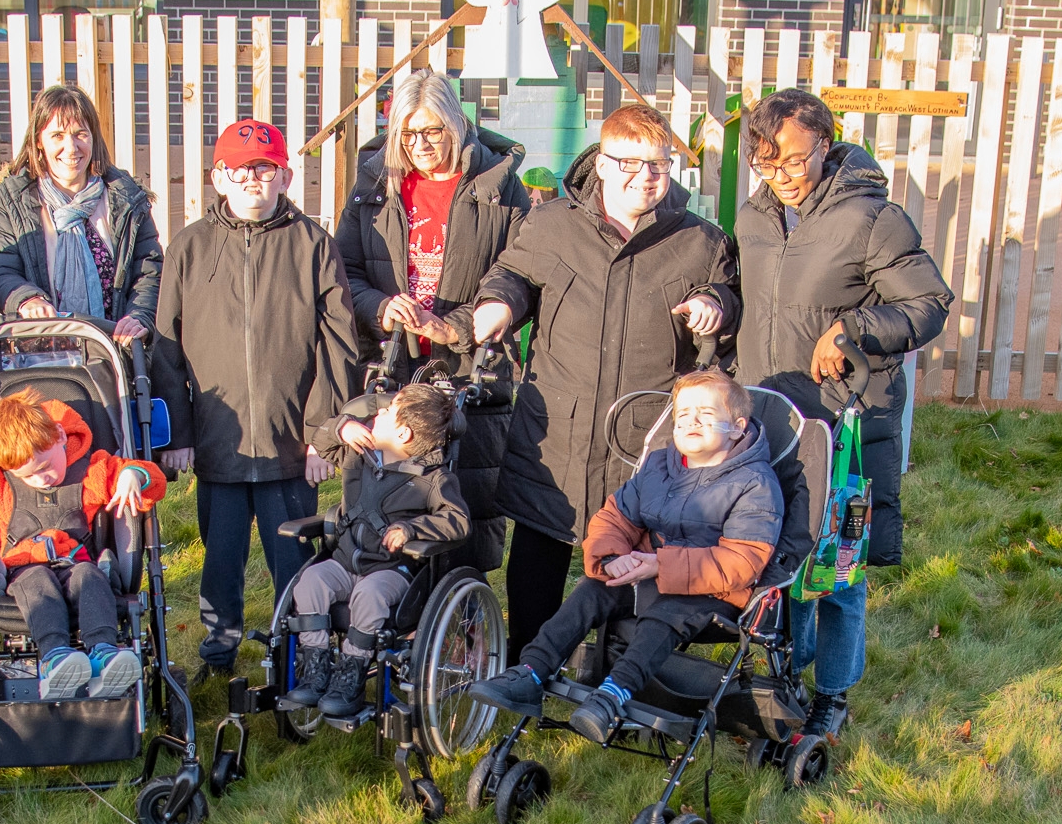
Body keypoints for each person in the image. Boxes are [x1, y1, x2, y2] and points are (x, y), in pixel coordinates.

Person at [471, 101, 737, 652]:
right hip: (557, 429)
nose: (645, 177)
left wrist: (717, 304)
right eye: (629, 163)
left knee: (634, 555)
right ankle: (528, 664)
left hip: (642, 434)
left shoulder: (700, 242)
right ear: (602, 162)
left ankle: (622, 671)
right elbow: (516, 273)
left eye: (658, 166)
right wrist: (500, 301)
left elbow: (730, 304)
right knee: (540, 551)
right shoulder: (550, 225)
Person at [733, 87, 956, 737]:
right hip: (772, 418)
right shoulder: (754, 216)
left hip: (843, 423)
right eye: (769, 165)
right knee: (781, 554)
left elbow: (929, 304)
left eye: (794, 163)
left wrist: (854, 326)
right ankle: (784, 674)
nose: (783, 178)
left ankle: (832, 692)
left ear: (826, 146)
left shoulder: (873, 218)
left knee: (838, 568)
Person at [148, 119, 369, 676]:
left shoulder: (312, 245)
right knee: (219, 560)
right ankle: (218, 653)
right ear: (218, 177)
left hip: (290, 443)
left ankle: (294, 654)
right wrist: (177, 433)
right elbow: (166, 347)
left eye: (265, 168)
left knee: (291, 560)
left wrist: (323, 434)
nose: (253, 179)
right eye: (240, 169)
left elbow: (339, 345)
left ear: (285, 176)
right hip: (217, 444)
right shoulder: (190, 247)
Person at [471, 368, 781, 743]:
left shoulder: (755, 483)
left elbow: (742, 561)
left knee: (664, 614)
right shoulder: (659, 467)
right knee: (592, 590)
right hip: (650, 573)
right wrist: (612, 556)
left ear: (736, 427)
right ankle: (531, 671)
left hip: (713, 593)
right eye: (683, 414)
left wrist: (658, 564)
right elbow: (616, 517)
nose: (691, 421)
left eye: (706, 413)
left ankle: (614, 693)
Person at [0, 391, 166, 701]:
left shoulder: (90, 471)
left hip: (75, 564)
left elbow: (153, 482)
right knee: (39, 583)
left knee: (89, 577)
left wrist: (134, 474)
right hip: (23, 571)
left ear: (60, 437)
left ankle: (105, 654)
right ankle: (58, 659)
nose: (40, 480)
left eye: (44, 467)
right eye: (27, 475)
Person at [273, 381, 469, 718]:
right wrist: (341, 427)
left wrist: (411, 528)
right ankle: (317, 666)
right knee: (311, 582)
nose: (377, 412)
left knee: (369, 594)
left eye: (388, 412)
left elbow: (458, 521)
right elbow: (320, 441)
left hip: (392, 572)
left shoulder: (432, 479)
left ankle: (352, 672)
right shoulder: (357, 453)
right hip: (345, 560)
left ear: (404, 434)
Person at [335, 67, 531, 372]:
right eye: (408, 135)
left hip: (471, 371)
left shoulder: (498, 184)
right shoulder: (374, 183)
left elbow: (520, 273)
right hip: (386, 365)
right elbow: (343, 270)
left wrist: (456, 328)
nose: (420, 146)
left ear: (454, 125)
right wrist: (380, 309)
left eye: (432, 132)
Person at [0, 83, 162, 342]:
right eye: (57, 135)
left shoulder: (125, 198)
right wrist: (26, 299)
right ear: (38, 142)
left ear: (93, 138)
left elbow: (148, 270)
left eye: (80, 134)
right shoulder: (13, 199)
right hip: (39, 351)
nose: (71, 147)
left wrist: (138, 316)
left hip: (113, 348)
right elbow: (0, 269)